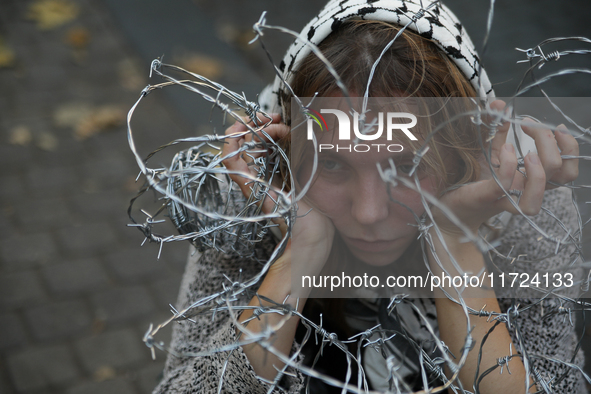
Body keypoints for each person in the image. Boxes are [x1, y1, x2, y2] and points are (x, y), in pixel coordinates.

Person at [153, 0, 585, 393]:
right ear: (289, 151)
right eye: (334, 164)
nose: (370, 212)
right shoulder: (250, 209)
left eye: (407, 167)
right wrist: (297, 255)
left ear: (462, 151)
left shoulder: (526, 213)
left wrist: (456, 245)